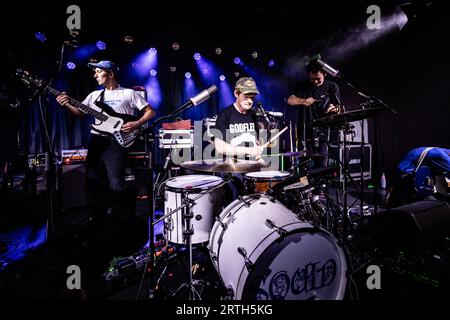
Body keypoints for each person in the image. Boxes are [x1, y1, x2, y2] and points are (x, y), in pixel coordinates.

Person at [56, 60, 156, 218]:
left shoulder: (128, 93)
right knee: (92, 178)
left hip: (115, 143)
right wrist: (67, 104)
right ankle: (103, 214)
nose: (95, 75)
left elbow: (150, 112)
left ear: (110, 73)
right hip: (97, 141)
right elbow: (80, 113)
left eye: (98, 71)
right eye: (94, 72)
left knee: (115, 181)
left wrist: (136, 124)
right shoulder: (94, 96)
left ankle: (125, 215)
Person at [287, 59, 342, 168]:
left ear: (325, 74)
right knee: (304, 166)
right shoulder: (301, 85)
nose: (315, 81)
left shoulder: (332, 86)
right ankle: (306, 185)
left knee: (322, 165)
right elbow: (290, 100)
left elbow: (338, 108)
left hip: (324, 133)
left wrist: (333, 108)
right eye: (312, 79)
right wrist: (302, 101)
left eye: (318, 79)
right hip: (304, 131)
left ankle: (321, 184)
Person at [214, 77, 264, 161]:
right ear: (236, 93)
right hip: (231, 167)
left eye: (252, 98)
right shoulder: (225, 115)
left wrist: (259, 159)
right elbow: (220, 147)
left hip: (250, 167)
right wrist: (248, 151)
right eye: (246, 96)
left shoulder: (253, 115)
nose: (250, 101)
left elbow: (255, 142)